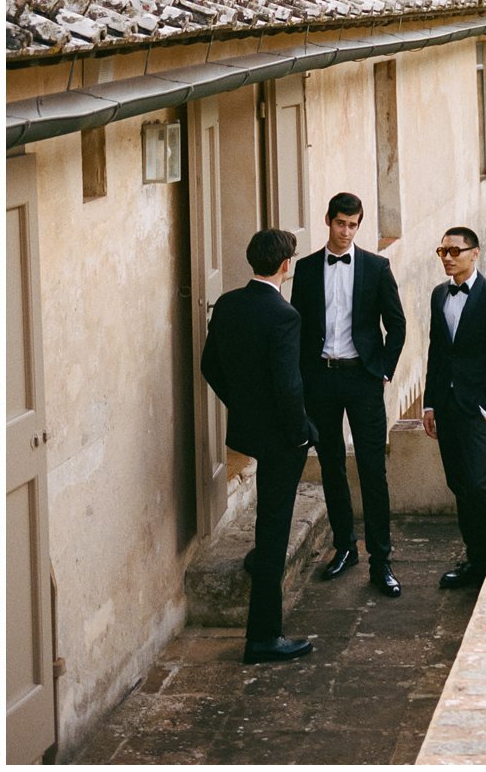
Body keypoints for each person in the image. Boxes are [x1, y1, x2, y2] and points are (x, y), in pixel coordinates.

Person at [200, 228, 316, 663]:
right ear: (286, 265)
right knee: (274, 529)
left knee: (268, 527)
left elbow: (210, 365)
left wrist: (244, 406)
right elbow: (288, 387)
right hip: (282, 437)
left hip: (249, 431)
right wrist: (301, 433)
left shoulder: (229, 304)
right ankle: (263, 638)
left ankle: (258, 562)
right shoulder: (285, 315)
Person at [289, 192, 406, 598]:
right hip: (321, 379)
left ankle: (381, 560)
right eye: (340, 223)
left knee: (373, 469)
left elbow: (397, 324)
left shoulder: (376, 267)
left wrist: (384, 371)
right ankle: (344, 548)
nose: (346, 231)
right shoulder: (304, 270)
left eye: (353, 225)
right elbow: (298, 329)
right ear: (328, 221)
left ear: (359, 225)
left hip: (362, 378)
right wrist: (302, 379)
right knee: (332, 466)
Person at [421, 227, 486, 590]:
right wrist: (430, 403)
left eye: (454, 251)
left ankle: (483, 562)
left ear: (474, 254)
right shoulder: (437, 295)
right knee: (458, 483)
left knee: (477, 486)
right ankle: (474, 557)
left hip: (474, 409)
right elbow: (437, 351)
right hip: (445, 406)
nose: (447, 257)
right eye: (442, 250)